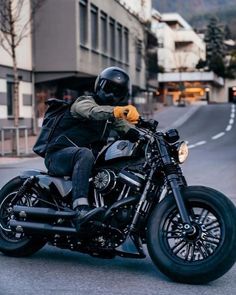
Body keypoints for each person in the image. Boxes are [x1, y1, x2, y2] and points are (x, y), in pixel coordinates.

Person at [44, 66, 140, 230]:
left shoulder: (111, 118)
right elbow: (92, 112)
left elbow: (128, 129)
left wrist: (149, 133)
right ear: (99, 86)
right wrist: (118, 110)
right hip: (58, 155)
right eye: (109, 88)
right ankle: (80, 208)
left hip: (83, 162)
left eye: (117, 92)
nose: (111, 94)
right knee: (85, 154)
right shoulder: (84, 102)